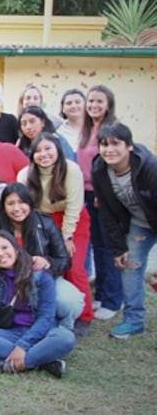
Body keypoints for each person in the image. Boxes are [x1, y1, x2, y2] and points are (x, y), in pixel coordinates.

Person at [18, 133, 94, 337]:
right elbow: (25, 206)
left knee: (74, 266)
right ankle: (53, 311)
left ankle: (84, 316)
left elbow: (74, 204)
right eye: (38, 151)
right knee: (46, 264)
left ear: (58, 150)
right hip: (41, 221)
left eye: (48, 149)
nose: (43, 154)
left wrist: (67, 236)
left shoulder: (71, 169)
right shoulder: (25, 174)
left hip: (73, 220)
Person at [0, 230, 76, 378]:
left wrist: (23, 346)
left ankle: (5, 366)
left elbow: (46, 317)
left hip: (40, 332)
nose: (1, 254)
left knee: (66, 338)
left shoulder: (40, 276)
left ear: (15, 249)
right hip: (11, 332)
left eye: (5, 248)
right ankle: (44, 362)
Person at [92, 123, 157, 340]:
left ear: (129, 146)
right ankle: (134, 321)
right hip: (140, 224)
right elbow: (108, 212)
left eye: (115, 144)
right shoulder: (100, 170)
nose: (109, 149)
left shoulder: (149, 167)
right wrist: (119, 248)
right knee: (130, 267)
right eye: (104, 144)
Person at [0, 184, 84, 331]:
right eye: (10, 203)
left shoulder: (45, 223)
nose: (16, 208)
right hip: (11, 281)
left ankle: (63, 329)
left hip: (44, 278)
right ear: (3, 207)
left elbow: (65, 260)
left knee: (69, 302)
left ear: (30, 203)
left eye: (21, 202)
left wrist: (48, 262)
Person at [77, 85, 122, 321]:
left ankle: (113, 300)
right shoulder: (87, 129)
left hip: (102, 196)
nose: (94, 105)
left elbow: (114, 164)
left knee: (107, 247)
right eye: (91, 101)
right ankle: (102, 294)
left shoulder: (110, 130)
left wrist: (102, 194)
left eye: (99, 102)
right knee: (96, 245)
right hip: (85, 194)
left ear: (108, 105)